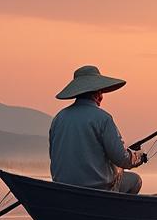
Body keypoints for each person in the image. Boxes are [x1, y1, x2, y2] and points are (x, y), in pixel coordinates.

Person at [49, 65, 147, 193]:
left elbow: (53, 155)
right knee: (135, 180)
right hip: (98, 190)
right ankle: (114, 211)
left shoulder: (58, 118)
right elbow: (122, 159)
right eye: (101, 92)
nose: (102, 97)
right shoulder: (103, 119)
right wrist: (139, 156)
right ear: (97, 94)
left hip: (63, 189)